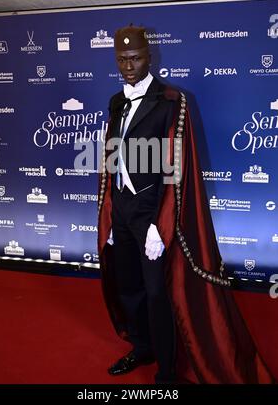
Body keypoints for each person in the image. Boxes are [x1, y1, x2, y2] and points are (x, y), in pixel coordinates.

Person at [97, 25, 274, 384]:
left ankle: (166, 369)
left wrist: (157, 224)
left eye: (135, 58)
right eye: (121, 60)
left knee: (156, 292)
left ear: (150, 56)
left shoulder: (170, 100)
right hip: (123, 210)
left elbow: (175, 169)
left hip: (152, 216)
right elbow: (112, 158)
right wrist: (113, 211)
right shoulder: (116, 102)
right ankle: (142, 346)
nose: (128, 66)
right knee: (129, 286)